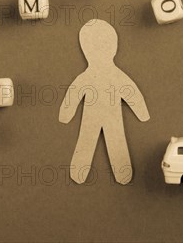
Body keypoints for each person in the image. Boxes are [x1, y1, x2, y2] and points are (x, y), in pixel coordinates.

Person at [59, 19, 150, 185]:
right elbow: (132, 92)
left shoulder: (92, 77)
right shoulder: (112, 76)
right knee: (97, 140)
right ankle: (118, 175)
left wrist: (66, 115)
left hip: (104, 117)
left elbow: (73, 95)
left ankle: (119, 174)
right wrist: (142, 114)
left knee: (104, 140)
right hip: (100, 117)